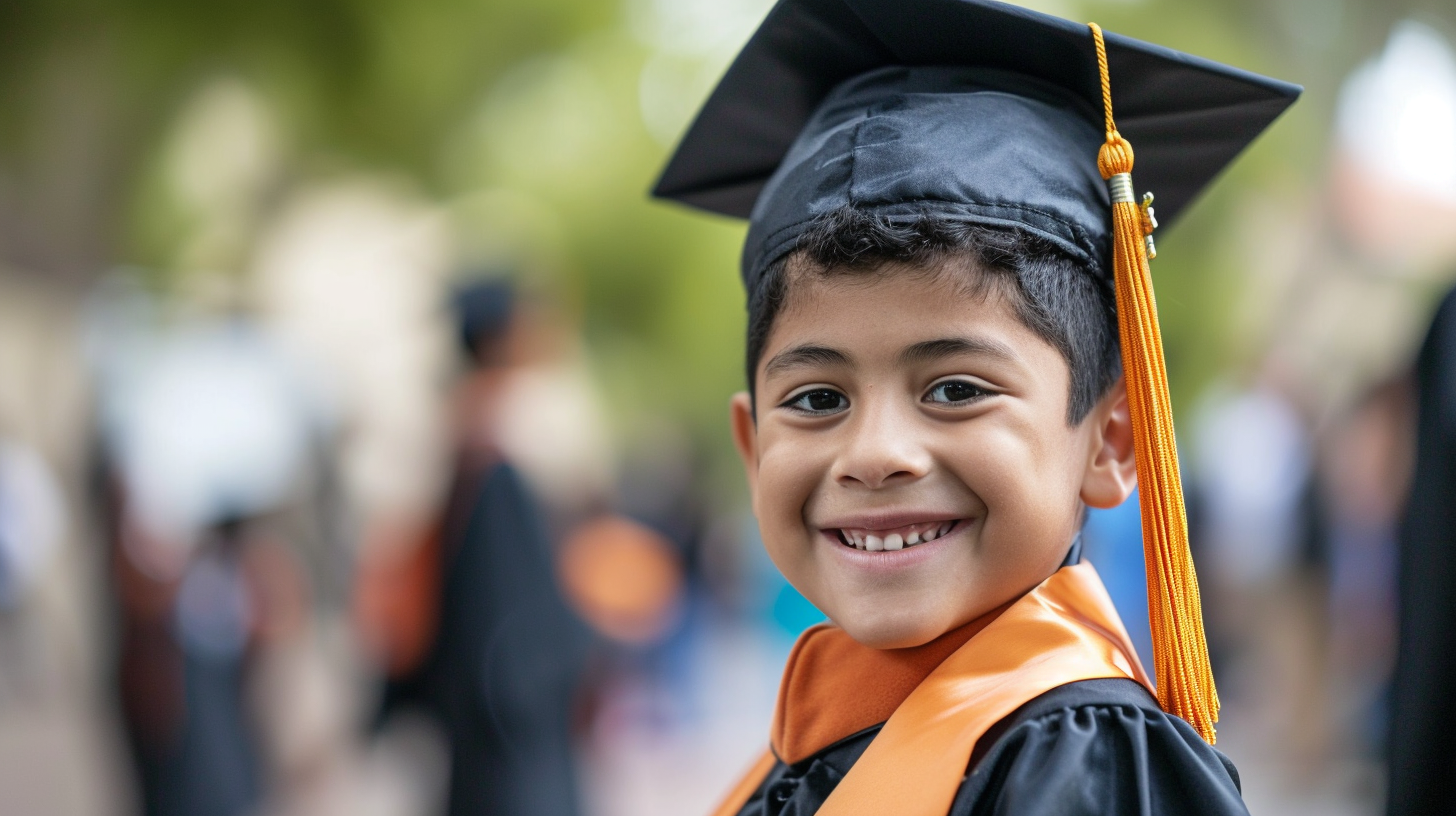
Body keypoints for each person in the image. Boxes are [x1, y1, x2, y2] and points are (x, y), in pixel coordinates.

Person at [651, 1, 1299, 813]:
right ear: (752, 448)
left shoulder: (1085, 765)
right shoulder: (816, 740)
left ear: (1112, 443)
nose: (875, 452)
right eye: (818, 399)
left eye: (956, 390)